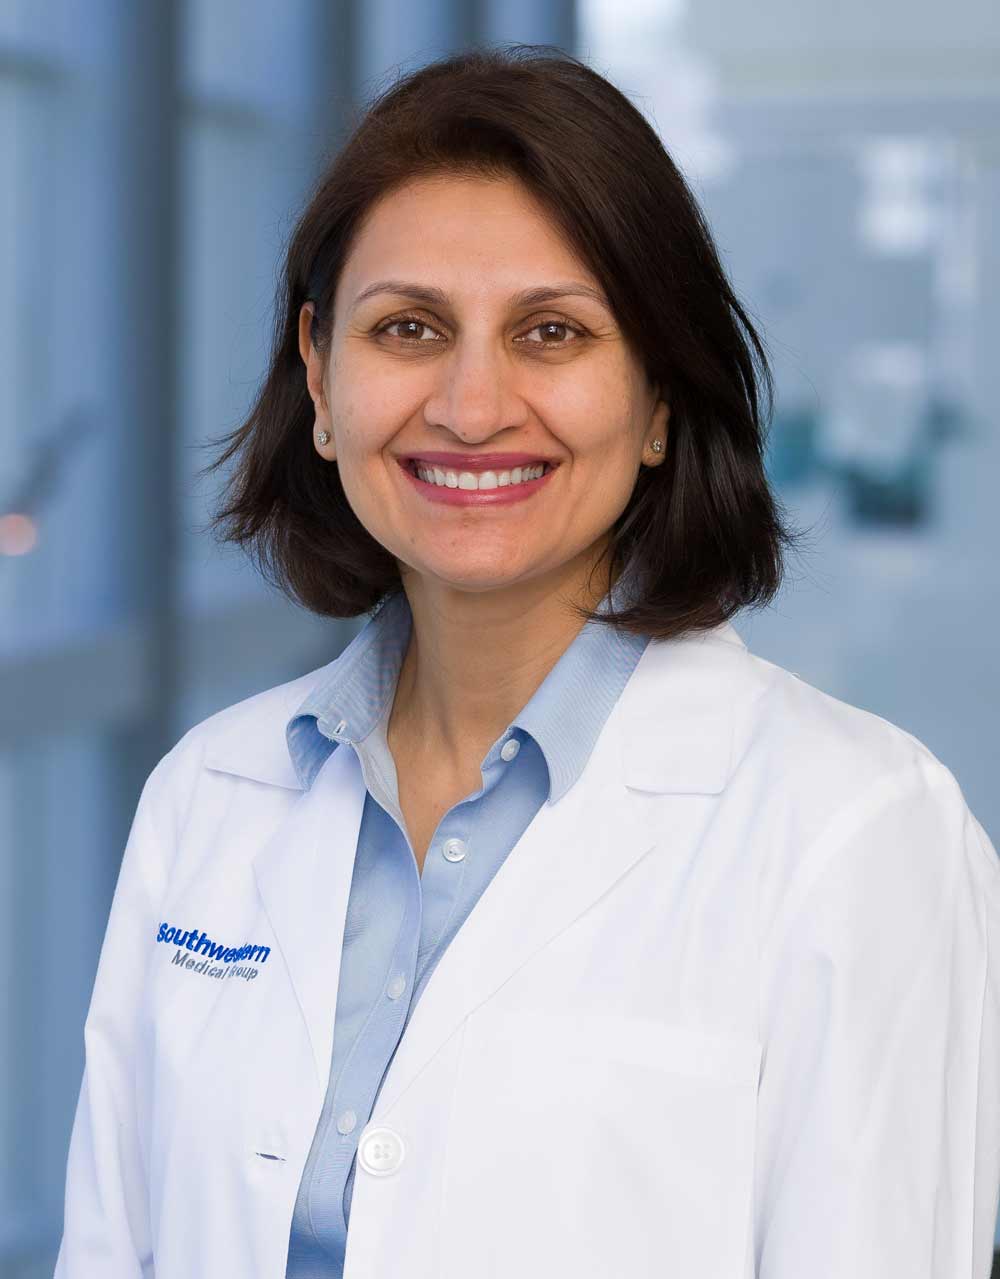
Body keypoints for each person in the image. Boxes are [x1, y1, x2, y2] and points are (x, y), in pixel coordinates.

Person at [55, 44, 999, 1279]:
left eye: (551, 332)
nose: (470, 403)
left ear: (658, 397)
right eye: (408, 328)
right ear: (321, 376)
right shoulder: (209, 795)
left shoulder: (861, 830)